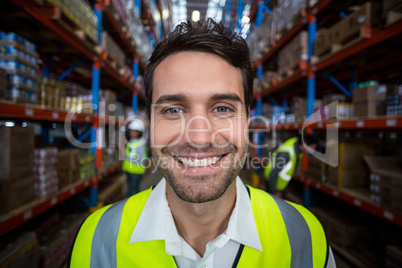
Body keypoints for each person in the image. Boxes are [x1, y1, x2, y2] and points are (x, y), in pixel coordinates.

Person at [69, 19, 336, 267]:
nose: (199, 138)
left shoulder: (305, 236)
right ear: (150, 123)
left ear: (247, 121)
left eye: (222, 108)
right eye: (173, 110)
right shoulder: (96, 240)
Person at [121, 118, 147, 196]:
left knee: (133, 193)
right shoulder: (133, 140)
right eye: (131, 130)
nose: (131, 132)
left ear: (139, 132)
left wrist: (127, 156)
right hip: (130, 170)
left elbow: (140, 159)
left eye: (134, 131)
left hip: (135, 172)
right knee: (131, 191)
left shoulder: (140, 143)